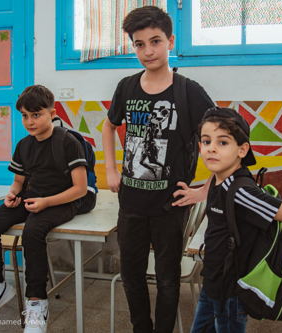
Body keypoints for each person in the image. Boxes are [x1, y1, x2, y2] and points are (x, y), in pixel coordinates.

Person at [101, 6, 215, 333]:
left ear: (170, 41)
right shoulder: (126, 87)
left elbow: (226, 139)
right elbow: (109, 127)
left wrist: (205, 189)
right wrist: (110, 170)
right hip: (131, 205)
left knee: (167, 279)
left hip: (170, 207)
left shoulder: (188, 91)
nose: (148, 51)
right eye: (139, 44)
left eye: (155, 41)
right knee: (132, 276)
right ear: (133, 47)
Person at [190, 107, 282, 333]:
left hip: (231, 292)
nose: (211, 148)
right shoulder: (219, 179)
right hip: (213, 283)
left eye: (223, 143)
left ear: (242, 150)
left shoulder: (241, 191)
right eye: (205, 141)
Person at [0, 85, 89, 333]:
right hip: (31, 198)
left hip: (62, 201)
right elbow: (18, 182)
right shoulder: (24, 145)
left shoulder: (68, 142)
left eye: (36, 114)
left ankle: (36, 302)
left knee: (32, 231)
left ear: (52, 113)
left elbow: (80, 189)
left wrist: (47, 202)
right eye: (25, 115)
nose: (30, 121)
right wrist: (12, 195)